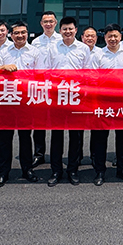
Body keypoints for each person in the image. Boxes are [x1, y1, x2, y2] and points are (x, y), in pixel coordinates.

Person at [39, 16, 88, 187]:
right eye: (65, 29)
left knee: (75, 136)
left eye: (70, 29)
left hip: (76, 97)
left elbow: (88, 73)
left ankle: (73, 170)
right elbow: (46, 71)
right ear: (60, 31)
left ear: (76, 30)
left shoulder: (83, 48)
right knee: (56, 136)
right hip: (57, 97)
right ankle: (56, 171)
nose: (68, 32)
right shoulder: (52, 48)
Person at [0, 21, 40, 187]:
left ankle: (27, 170)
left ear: (27, 33)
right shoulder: (4, 52)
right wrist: (3, 67)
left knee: (25, 137)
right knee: (4, 138)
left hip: (26, 100)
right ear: (11, 35)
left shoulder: (35, 52)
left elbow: (41, 74)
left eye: (23, 32)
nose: (20, 36)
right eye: (16, 33)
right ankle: (3, 172)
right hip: (7, 99)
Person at [85, 23, 123, 184]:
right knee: (100, 137)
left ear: (120, 36)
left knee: (122, 137)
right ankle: (100, 171)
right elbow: (92, 78)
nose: (113, 39)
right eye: (109, 36)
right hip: (103, 101)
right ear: (105, 38)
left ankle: (122, 169)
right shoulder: (98, 55)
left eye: (115, 36)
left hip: (122, 101)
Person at [31, 10, 61, 167]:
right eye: (45, 22)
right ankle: (39, 153)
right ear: (41, 24)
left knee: (57, 123)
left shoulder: (62, 40)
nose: (48, 24)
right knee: (39, 122)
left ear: (55, 23)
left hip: (57, 86)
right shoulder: (35, 42)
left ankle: (57, 155)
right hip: (40, 85)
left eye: (51, 21)